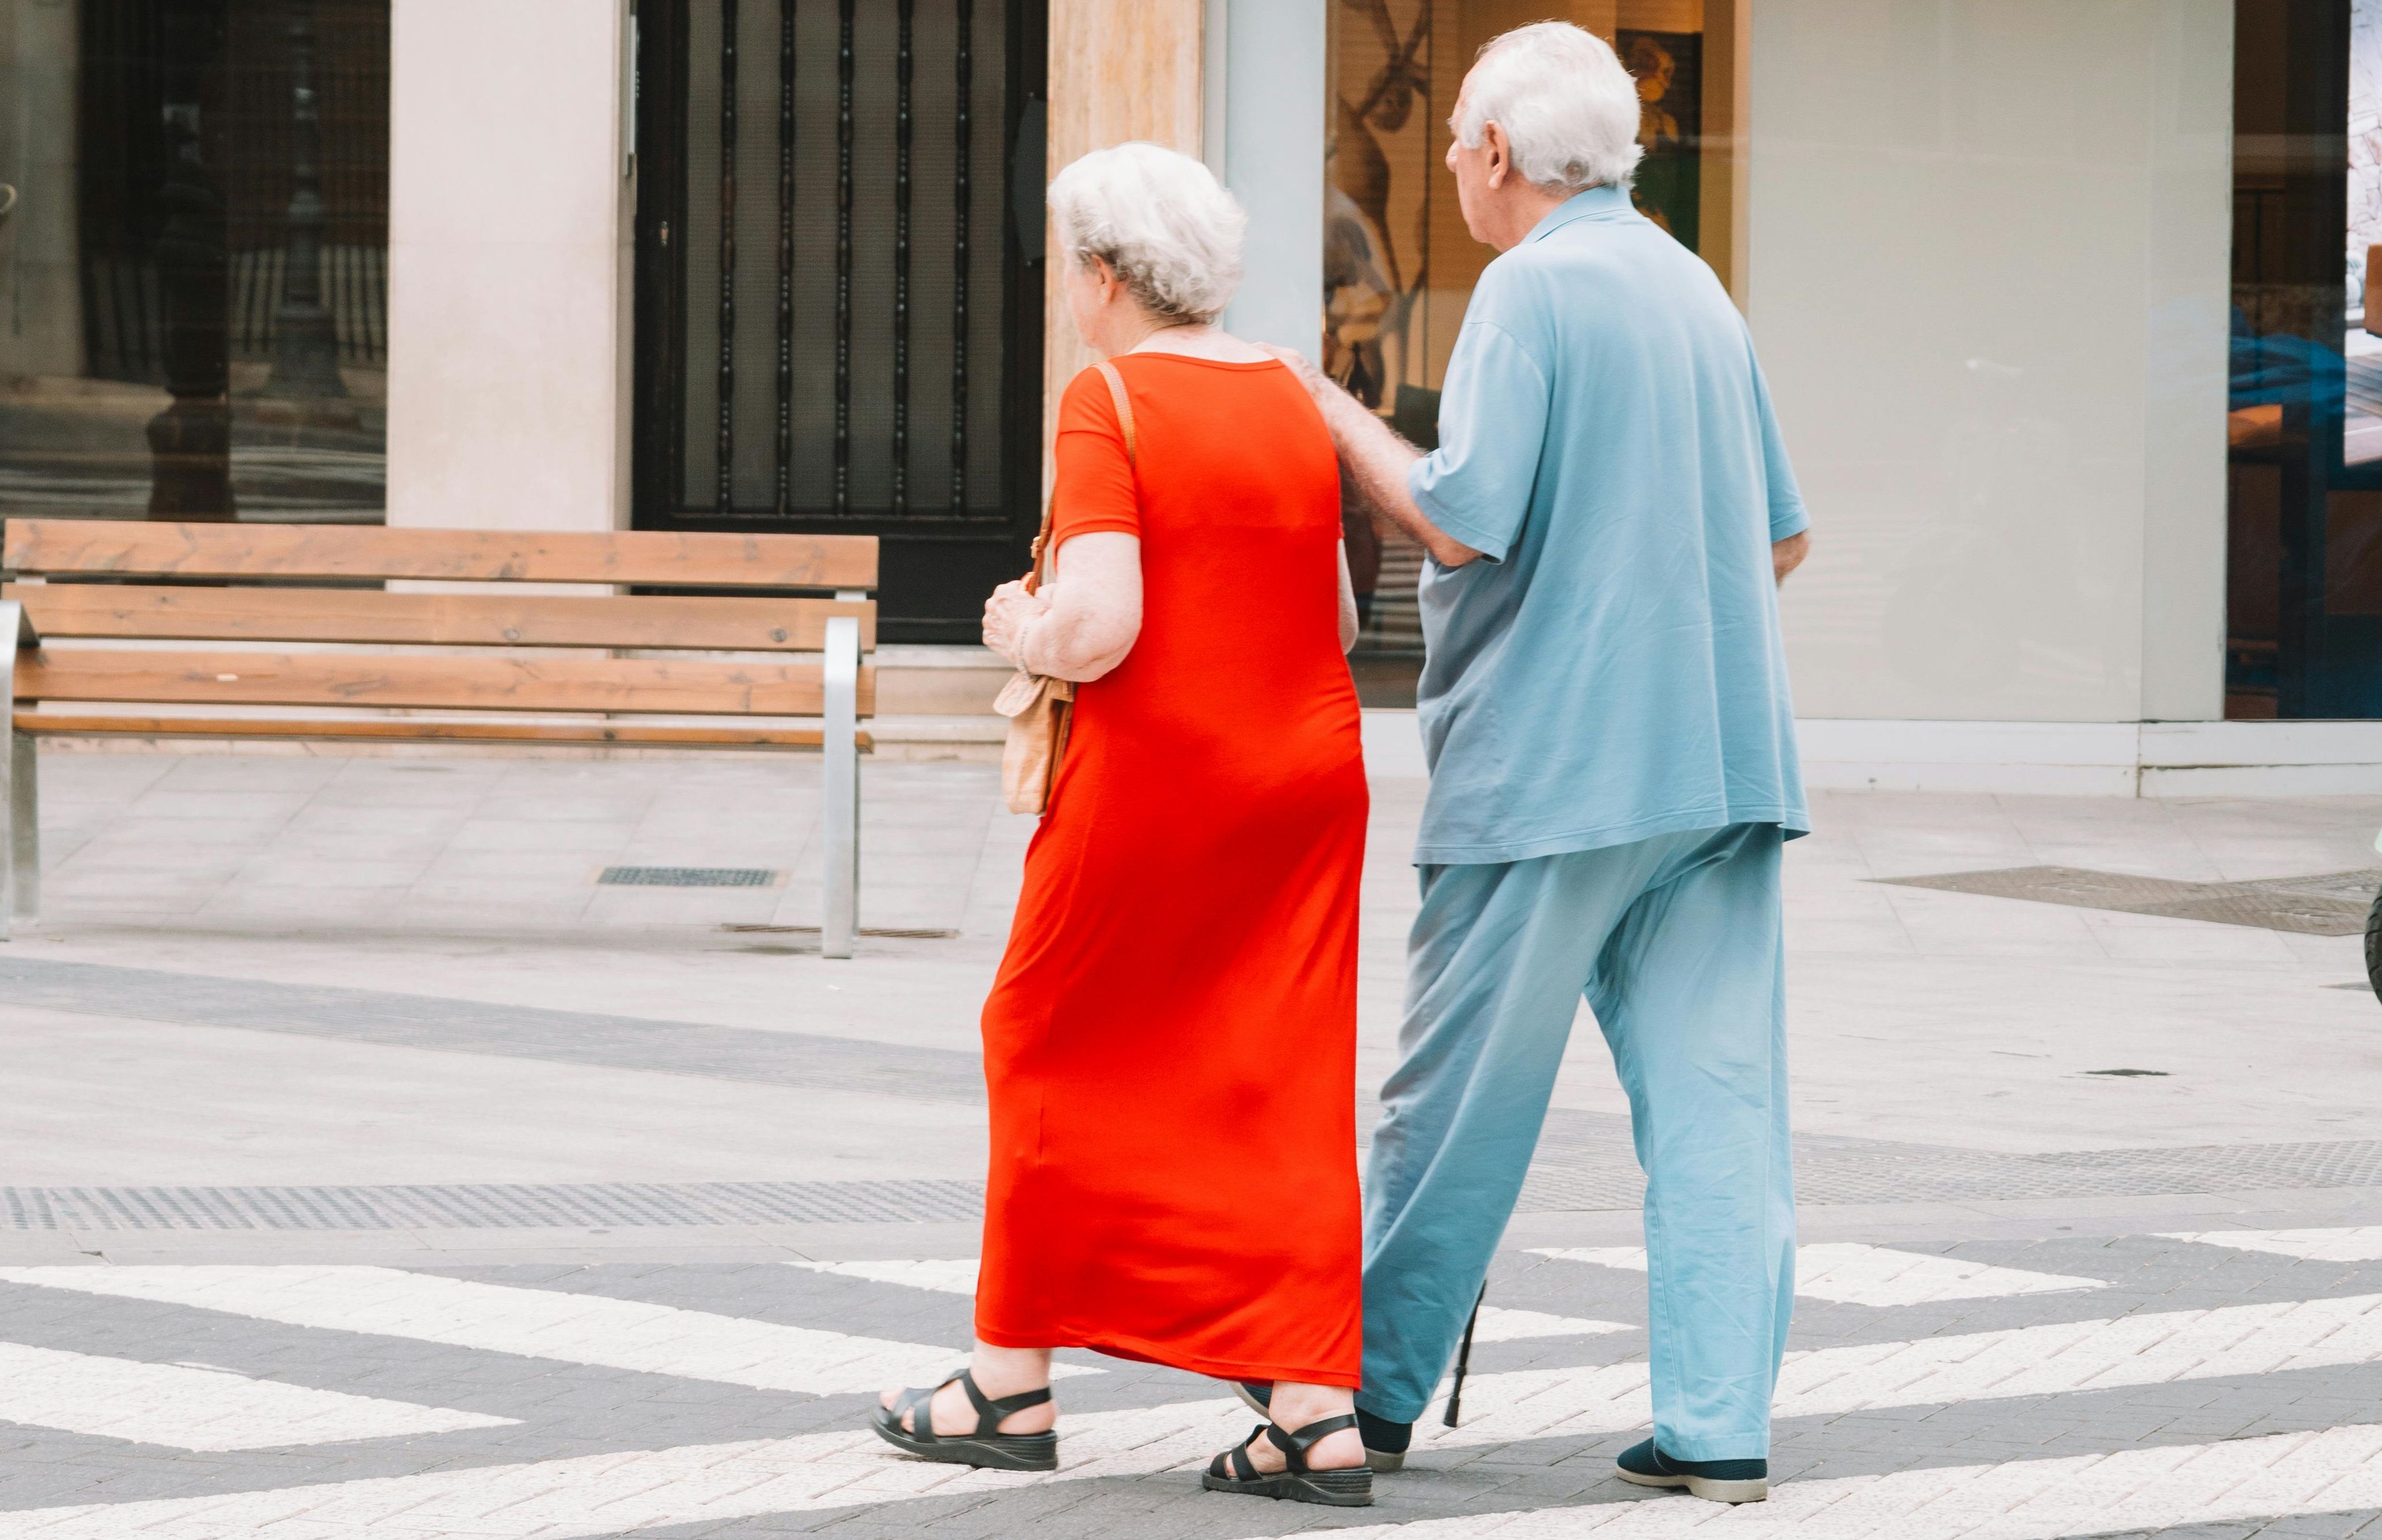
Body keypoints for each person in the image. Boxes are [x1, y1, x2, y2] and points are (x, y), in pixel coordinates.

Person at [1264, 21, 1812, 1505]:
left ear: (1495, 155)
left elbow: (1458, 516)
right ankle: (1715, 1431)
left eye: (1454, 142)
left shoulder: (1526, 289)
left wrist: (1326, 410)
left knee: (1452, 1107)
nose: (1449, 163)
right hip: (1718, 766)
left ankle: (1358, 1407)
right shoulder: (1694, 289)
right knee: (1720, 1109)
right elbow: (1780, 534)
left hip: (1556, 772)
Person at [871, 141, 1377, 1510]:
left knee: (1039, 1037)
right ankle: (1316, 1412)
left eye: (1069, 271)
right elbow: (1331, 616)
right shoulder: (1286, 387)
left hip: (1163, 787)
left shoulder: (1110, 398)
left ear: (1103, 277)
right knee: (1276, 1070)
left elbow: (1098, 628)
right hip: (1309, 781)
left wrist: (1014, 623)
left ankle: (1007, 1384)